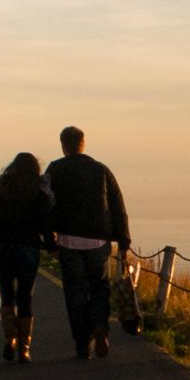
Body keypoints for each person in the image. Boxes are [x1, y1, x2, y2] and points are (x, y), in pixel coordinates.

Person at [40, 125, 130, 361]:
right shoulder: (101, 170)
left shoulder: (55, 169)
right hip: (98, 242)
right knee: (100, 287)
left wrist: (49, 242)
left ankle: (82, 343)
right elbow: (118, 207)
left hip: (69, 241)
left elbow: (45, 207)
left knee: (75, 292)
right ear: (83, 143)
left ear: (63, 145)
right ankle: (100, 326)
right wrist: (124, 242)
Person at [0, 150, 54, 362]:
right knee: (25, 297)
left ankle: (10, 339)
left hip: (2, 249)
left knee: (7, 295)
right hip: (28, 249)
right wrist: (52, 247)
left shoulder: (1, 192)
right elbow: (45, 226)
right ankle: (24, 348)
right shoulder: (38, 194)